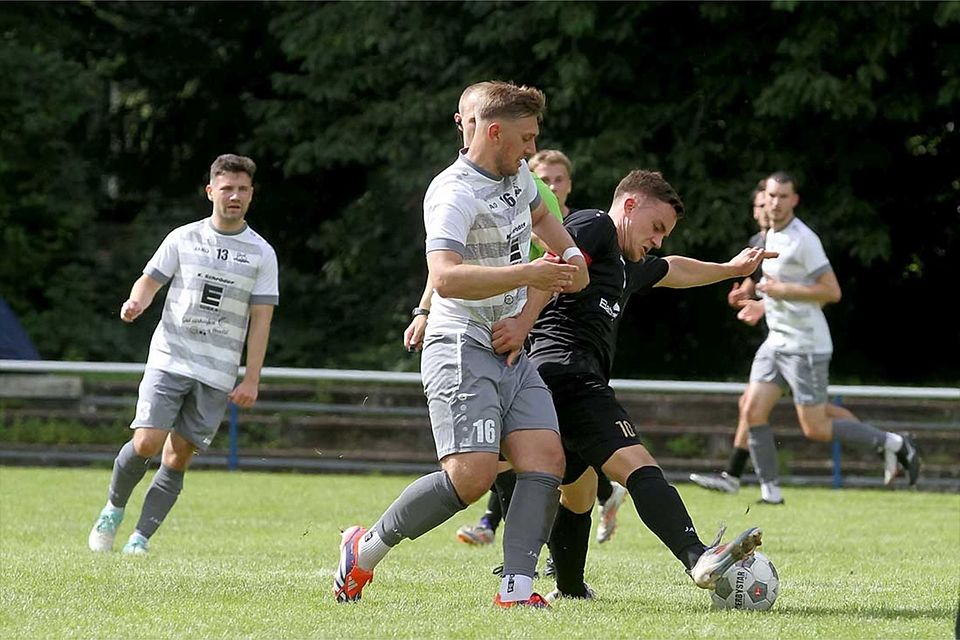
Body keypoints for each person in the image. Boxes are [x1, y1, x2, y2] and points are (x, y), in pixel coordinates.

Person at [334, 81, 589, 608]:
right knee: (470, 478)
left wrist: (572, 263)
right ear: (494, 132)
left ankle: (516, 589)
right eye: (525, 137)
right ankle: (364, 549)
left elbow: (553, 237)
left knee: (545, 457)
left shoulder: (520, 178)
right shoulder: (452, 191)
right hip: (459, 343)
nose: (530, 149)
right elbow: (445, 277)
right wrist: (531, 273)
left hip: (512, 348)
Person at [492, 169, 774, 601]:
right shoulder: (596, 226)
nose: (658, 240)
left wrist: (730, 269)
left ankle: (569, 589)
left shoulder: (627, 264)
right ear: (628, 206)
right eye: (656, 227)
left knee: (580, 492)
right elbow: (552, 266)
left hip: (557, 380)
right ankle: (697, 556)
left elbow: (673, 269)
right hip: (567, 375)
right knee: (638, 465)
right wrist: (523, 323)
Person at [87, 154, 279, 555]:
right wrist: (135, 302)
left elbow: (261, 320)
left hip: (217, 370)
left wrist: (251, 377)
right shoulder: (183, 237)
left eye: (243, 189)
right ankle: (113, 508)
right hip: (170, 357)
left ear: (251, 195)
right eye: (227, 188)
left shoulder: (262, 253)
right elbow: (149, 280)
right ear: (211, 191)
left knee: (179, 455)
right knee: (147, 442)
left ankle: (140, 538)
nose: (235, 196)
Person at [692, 172, 920, 505]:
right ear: (763, 198)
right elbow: (772, 287)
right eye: (771, 196)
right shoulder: (768, 235)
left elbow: (832, 291)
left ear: (794, 200)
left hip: (806, 347)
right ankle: (770, 492)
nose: (776, 202)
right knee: (752, 409)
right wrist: (758, 303)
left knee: (815, 427)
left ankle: (896, 444)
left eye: (784, 196)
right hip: (777, 342)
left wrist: (781, 291)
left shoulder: (804, 240)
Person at [530, 149, 574, 218]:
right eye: (544, 181)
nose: (552, 187)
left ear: (569, 185)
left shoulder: (586, 224)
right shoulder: (521, 225)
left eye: (558, 180)